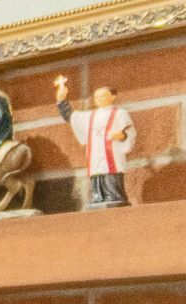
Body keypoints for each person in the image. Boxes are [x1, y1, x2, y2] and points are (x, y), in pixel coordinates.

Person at [54, 74, 136, 208]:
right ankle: (98, 196)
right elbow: (71, 117)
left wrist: (121, 136)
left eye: (102, 96)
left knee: (111, 171)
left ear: (113, 97)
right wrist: (62, 100)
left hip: (112, 150)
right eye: (97, 97)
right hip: (96, 151)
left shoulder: (120, 113)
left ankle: (114, 195)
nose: (99, 99)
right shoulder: (90, 116)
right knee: (96, 171)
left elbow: (128, 132)